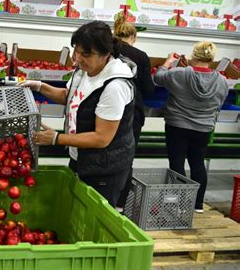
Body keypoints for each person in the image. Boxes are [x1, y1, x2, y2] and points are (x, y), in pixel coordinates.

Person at [20, 21, 137, 207]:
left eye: (86, 54)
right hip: (82, 158)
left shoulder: (114, 85)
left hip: (105, 168)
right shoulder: (83, 71)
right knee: (75, 207)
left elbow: (102, 138)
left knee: (95, 215)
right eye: (77, 51)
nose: (79, 59)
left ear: (106, 54)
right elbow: (69, 96)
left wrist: (57, 138)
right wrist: (40, 86)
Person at [153, 41, 229, 213]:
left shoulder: (179, 74)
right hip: (203, 128)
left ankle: (176, 205)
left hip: (177, 125)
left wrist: (167, 62)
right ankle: (197, 205)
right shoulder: (222, 81)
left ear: (193, 55)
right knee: (197, 162)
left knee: (177, 162)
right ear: (212, 58)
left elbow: (157, 78)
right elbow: (219, 103)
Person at [113, 16, 155, 212]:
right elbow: (148, 90)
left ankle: (101, 199)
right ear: (133, 36)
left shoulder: (106, 50)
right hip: (132, 113)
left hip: (108, 109)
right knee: (126, 156)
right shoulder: (141, 56)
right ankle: (120, 204)